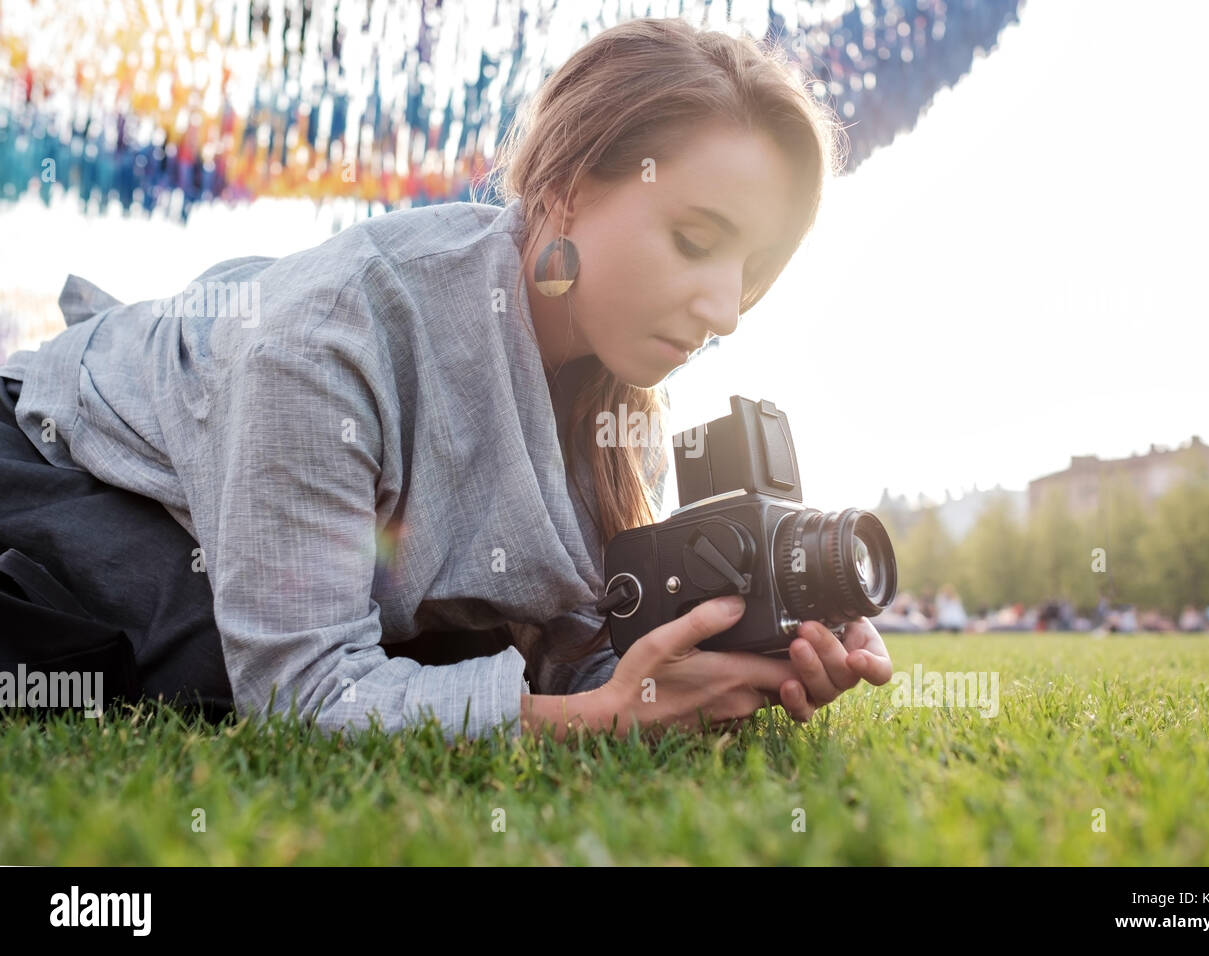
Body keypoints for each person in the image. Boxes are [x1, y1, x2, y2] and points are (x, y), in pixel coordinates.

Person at [0, 18, 893, 743]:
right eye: (697, 242)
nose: (727, 311)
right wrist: (593, 720)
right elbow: (302, 692)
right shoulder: (337, 329)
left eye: (752, 269)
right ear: (569, 188)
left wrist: (726, 662)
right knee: (200, 660)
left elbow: (580, 652)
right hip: (62, 457)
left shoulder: (628, 420)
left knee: (439, 647)